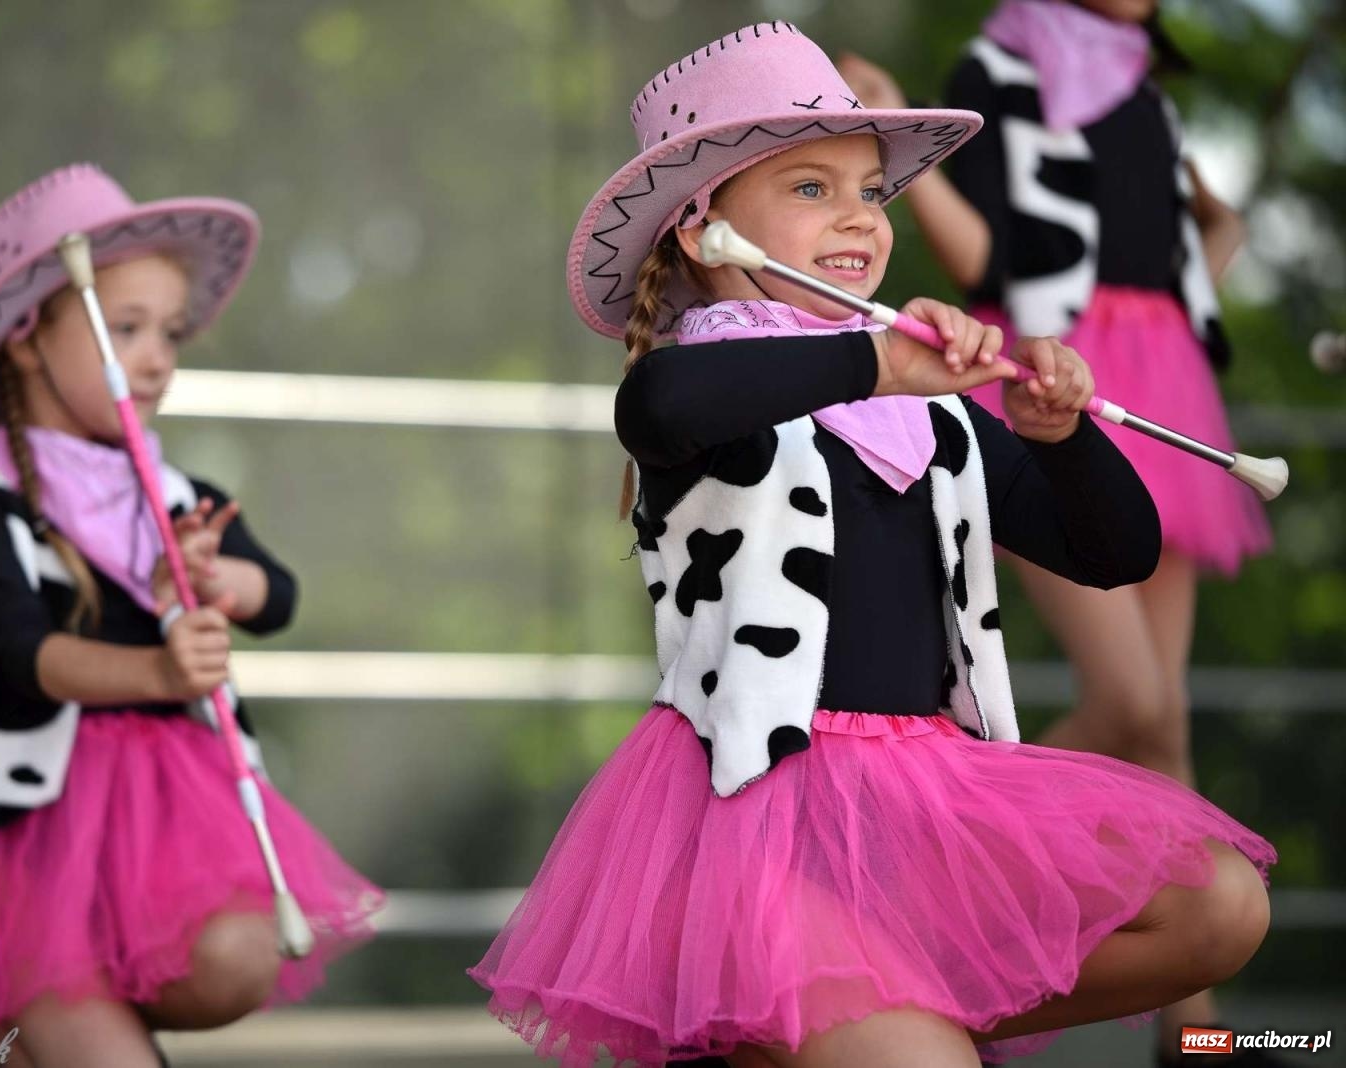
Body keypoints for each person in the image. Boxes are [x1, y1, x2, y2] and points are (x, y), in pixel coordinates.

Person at [470, 23, 1274, 1068]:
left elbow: (1112, 549)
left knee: (1221, 907)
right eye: (810, 189)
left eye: (870, 193)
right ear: (701, 226)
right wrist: (876, 362)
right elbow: (664, 407)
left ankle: (861, 1020)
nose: (857, 216)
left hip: (924, 815)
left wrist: (1062, 437)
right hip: (755, 826)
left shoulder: (924, 406)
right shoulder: (702, 385)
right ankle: (825, 1021)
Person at [0, 164, 382, 1068]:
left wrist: (216, 583)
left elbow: (275, 595)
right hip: (25, 839)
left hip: (162, 837)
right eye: (123, 328)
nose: (159, 355)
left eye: (169, 331)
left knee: (240, 953)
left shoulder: (175, 495)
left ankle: (11, 1031)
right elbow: (24, 654)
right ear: (24, 340)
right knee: (76, 1025)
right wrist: (162, 670)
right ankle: (15, 1014)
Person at [837, 3, 1274, 1060]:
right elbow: (983, 253)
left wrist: (1216, 240)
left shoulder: (1144, 91)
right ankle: (935, 888)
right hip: (1056, 380)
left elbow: (1181, 248)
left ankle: (1193, 1028)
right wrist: (901, 132)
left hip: (1158, 388)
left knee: (1159, 718)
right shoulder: (995, 64)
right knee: (1127, 699)